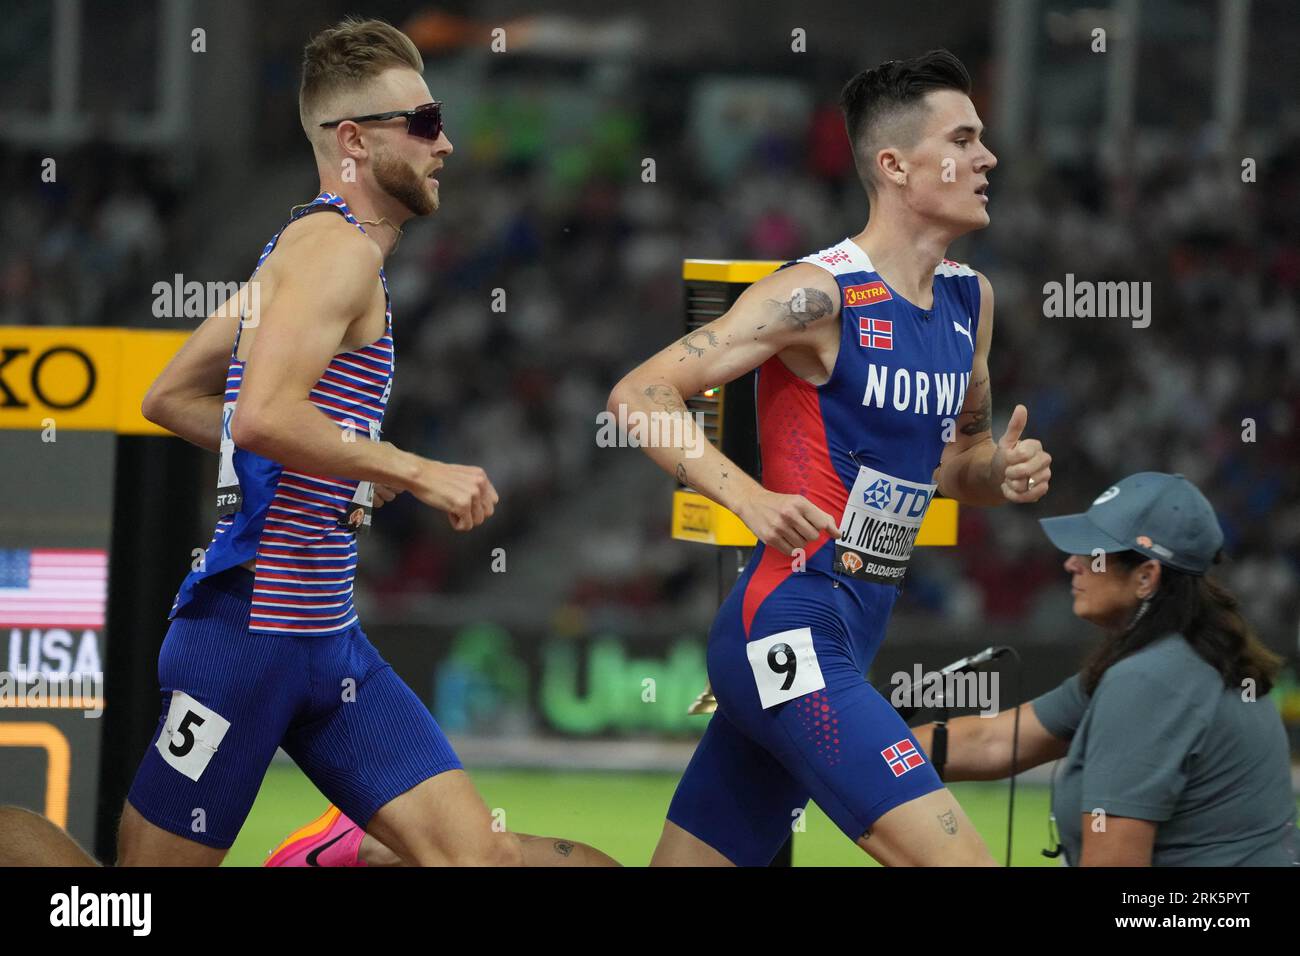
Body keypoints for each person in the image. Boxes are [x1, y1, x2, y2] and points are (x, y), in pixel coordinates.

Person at [118, 17, 613, 868]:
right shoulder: (335, 252)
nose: (446, 144)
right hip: (245, 638)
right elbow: (265, 414)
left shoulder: (300, 251)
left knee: (481, 860)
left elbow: (172, 397)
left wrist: (338, 467)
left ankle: (334, 855)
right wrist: (410, 468)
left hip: (325, 634)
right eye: (423, 123)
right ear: (353, 141)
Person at [600, 49, 1052, 866]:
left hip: (846, 635)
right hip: (788, 627)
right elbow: (639, 395)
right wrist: (750, 499)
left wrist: (998, 472)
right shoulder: (816, 294)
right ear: (895, 164)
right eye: (965, 138)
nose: (988, 158)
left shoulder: (969, 300)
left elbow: (957, 462)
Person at [912, 472, 1299, 866]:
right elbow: (993, 741)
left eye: (1091, 551)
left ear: (1146, 576)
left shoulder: (1150, 680)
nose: (1071, 563)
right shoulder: (1185, 656)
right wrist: (868, 752)